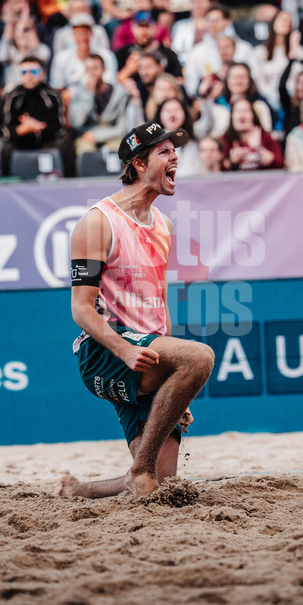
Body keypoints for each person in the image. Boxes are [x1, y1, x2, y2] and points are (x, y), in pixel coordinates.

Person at [57, 121, 214, 498]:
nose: (175, 156)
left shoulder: (163, 225)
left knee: (161, 489)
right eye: (165, 152)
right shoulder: (98, 222)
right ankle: (139, 468)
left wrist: (175, 390)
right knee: (201, 357)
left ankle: (78, 492)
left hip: (148, 349)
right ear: (140, 164)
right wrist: (125, 350)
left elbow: (159, 305)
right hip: (107, 352)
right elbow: (81, 310)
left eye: (175, 151)